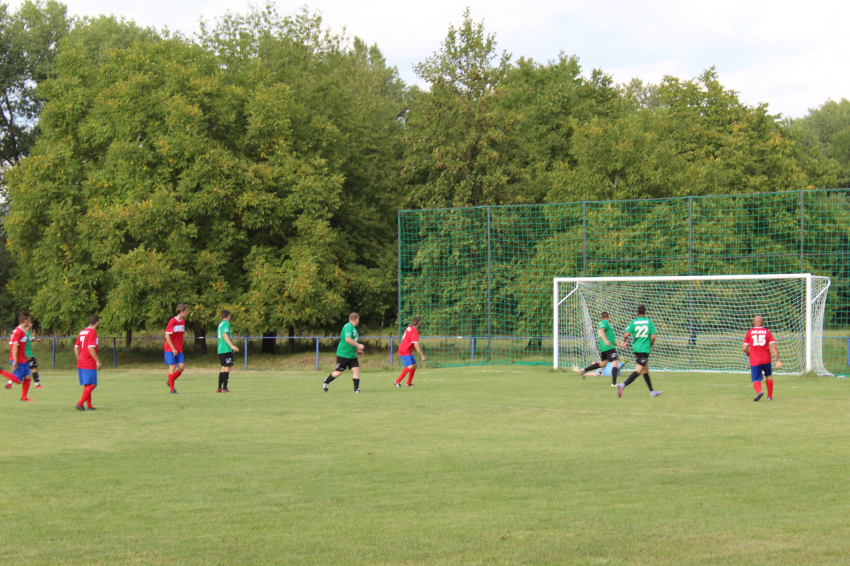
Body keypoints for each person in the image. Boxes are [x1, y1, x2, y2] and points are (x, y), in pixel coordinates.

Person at [617, 305, 662, 398]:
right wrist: (651, 344)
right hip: (644, 349)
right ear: (645, 312)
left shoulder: (633, 322)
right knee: (638, 371)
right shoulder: (649, 322)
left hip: (637, 349)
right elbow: (653, 337)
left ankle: (652, 391)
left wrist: (624, 341)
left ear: (637, 313)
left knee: (645, 370)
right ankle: (623, 385)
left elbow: (626, 334)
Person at [574, 311, 620, 386]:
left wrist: (612, 342)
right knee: (615, 363)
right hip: (608, 347)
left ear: (601, 317)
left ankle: (584, 370)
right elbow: (602, 331)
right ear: (608, 317)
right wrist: (606, 341)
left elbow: (600, 336)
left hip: (604, 347)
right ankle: (614, 383)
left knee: (603, 364)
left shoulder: (600, 324)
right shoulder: (605, 322)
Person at [323, 312, 365, 393]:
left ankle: (356, 389)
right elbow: (348, 339)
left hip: (352, 355)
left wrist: (358, 350)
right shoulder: (348, 326)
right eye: (358, 319)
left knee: (356, 369)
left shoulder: (353, 328)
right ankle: (326, 381)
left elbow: (352, 342)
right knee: (339, 372)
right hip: (343, 354)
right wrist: (359, 345)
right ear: (356, 319)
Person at [743, 315, 781, 402]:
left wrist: (750, 355)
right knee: (768, 376)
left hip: (755, 360)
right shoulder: (767, 332)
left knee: (756, 379)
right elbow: (773, 347)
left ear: (753, 323)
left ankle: (759, 391)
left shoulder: (749, 333)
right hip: (766, 359)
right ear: (762, 323)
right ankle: (769, 396)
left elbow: (744, 348)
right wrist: (778, 360)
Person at [74, 315, 102, 411]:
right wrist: (98, 361)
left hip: (81, 360)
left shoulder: (82, 332)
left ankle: (89, 406)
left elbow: (76, 347)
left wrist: (79, 358)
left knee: (87, 384)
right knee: (93, 384)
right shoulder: (92, 332)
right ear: (97, 323)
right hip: (88, 361)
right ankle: (80, 403)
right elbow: (90, 347)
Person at [5, 313, 34, 401]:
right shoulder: (19, 331)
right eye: (29, 320)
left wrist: (24, 356)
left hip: (22, 359)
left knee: (28, 376)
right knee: (18, 380)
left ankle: (23, 397)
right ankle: (1, 371)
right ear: (25, 321)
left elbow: (19, 346)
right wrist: (15, 360)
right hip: (18, 360)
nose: (29, 322)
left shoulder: (21, 331)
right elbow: (14, 346)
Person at [7, 321, 43, 390]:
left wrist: (36, 339)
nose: (31, 324)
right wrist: (24, 355)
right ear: (27, 325)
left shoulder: (27, 333)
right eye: (30, 323)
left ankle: (9, 383)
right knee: (34, 368)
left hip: (26, 355)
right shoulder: (24, 333)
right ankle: (37, 384)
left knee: (21, 372)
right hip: (27, 355)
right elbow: (17, 344)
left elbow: (29, 339)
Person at [395, 316, 426, 387]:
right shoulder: (414, 331)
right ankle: (397, 381)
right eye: (420, 321)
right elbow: (416, 345)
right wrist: (422, 355)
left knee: (414, 365)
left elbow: (404, 339)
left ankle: (408, 383)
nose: (420, 322)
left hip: (404, 349)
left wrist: (400, 350)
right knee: (411, 366)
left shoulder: (409, 328)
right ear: (418, 322)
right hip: (405, 349)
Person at [164, 304, 188, 394]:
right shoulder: (172, 321)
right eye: (186, 311)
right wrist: (173, 348)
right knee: (173, 366)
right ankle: (172, 389)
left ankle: (170, 381)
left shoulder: (183, 322)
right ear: (181, 312)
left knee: (181, 367)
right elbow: (167, 336)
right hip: (170, 348)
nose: (187, 312)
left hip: (179, 349)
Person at [216, 310, 239, 393]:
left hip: (221, 349)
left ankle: (219, 388)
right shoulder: (226, 324)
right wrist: (231, 345)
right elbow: (225, 334)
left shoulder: (220, 324)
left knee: (223, 367)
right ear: (228, 316)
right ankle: (224, 388)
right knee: (228, 367)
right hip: (226, 349)